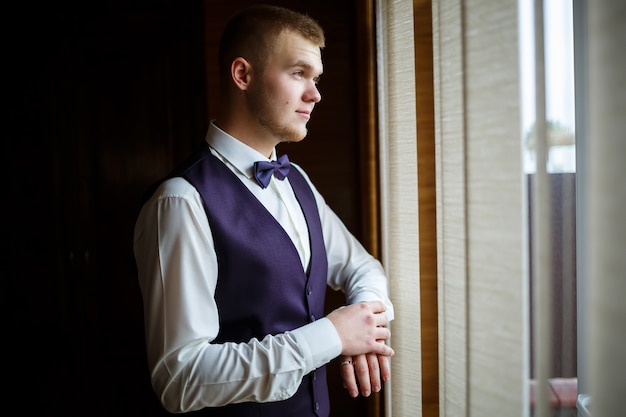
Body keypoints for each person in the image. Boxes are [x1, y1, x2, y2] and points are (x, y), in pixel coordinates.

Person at [133, 4, 394, 416]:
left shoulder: (299, 182)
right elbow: (179, 379)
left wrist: (366, 332)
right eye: (298, 73)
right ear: (242, 75)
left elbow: (364, 268)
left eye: (316, 78)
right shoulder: (181, 201)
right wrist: (331, 336)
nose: (315, 94)